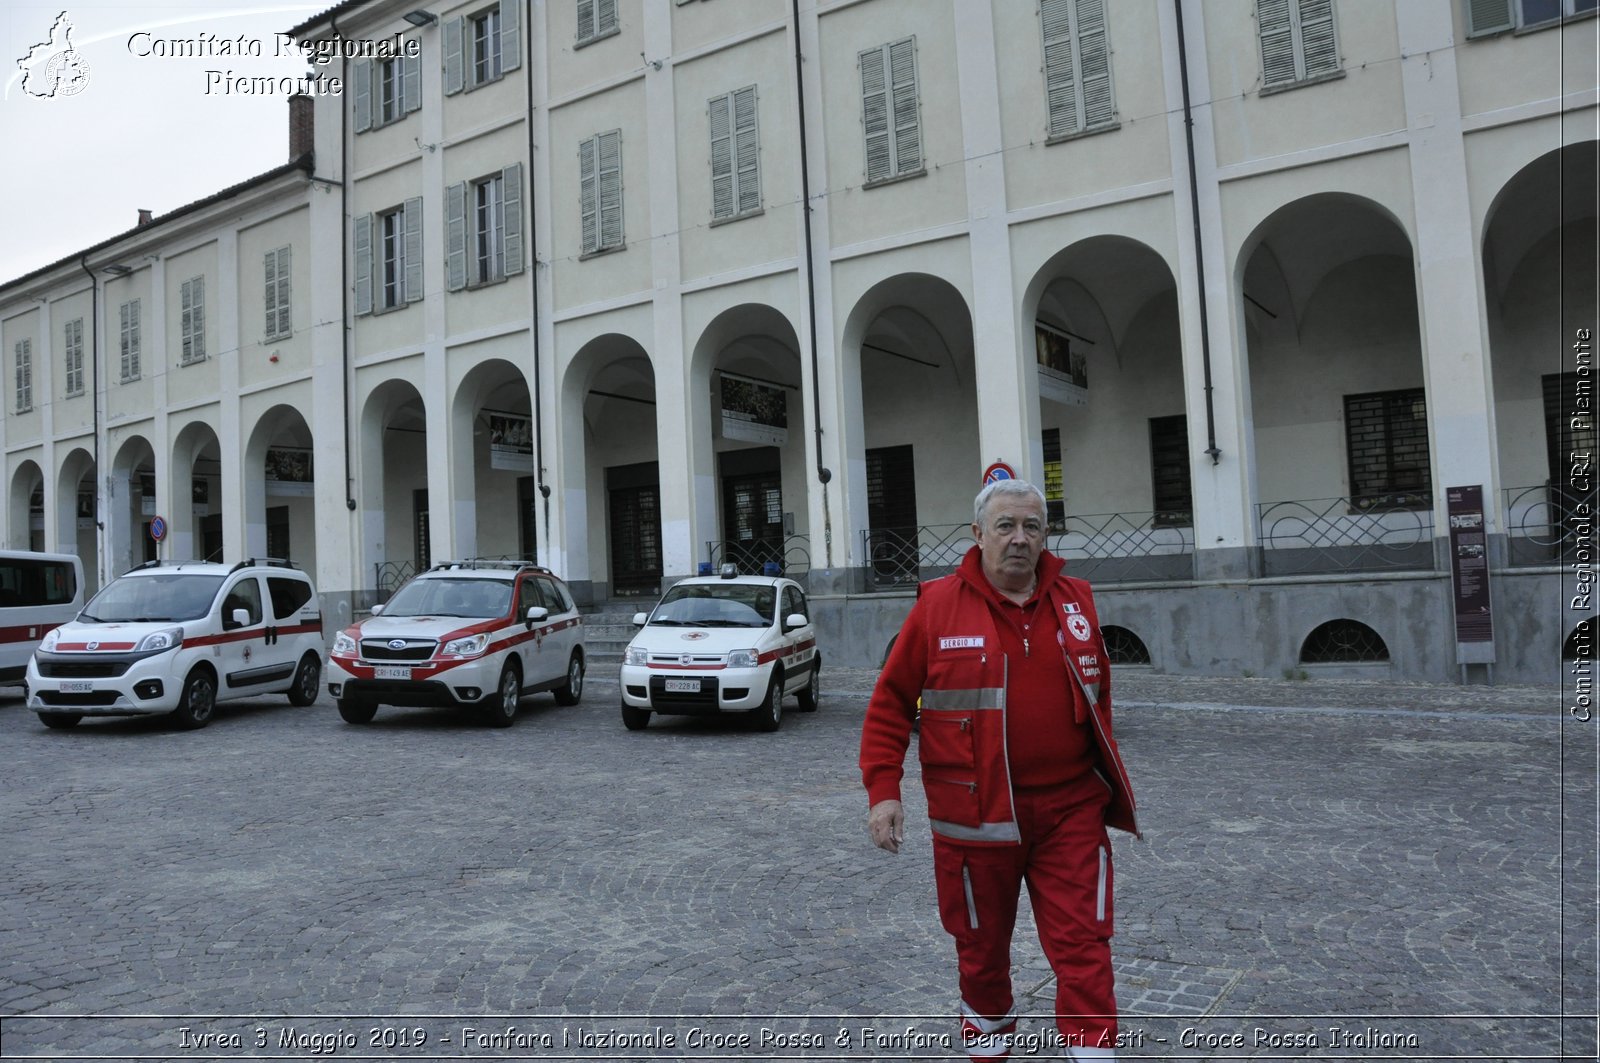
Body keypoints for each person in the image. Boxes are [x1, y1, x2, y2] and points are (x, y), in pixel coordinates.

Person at [859, 478, 1139, 1062]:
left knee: (1085, 941)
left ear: (1045, 536)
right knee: (981, 948)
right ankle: (990, 1049)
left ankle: (1093, 1053)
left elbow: (1099, 698)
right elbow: (891, 702)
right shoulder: (936, 606)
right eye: (1006, 526)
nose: (1019, 539)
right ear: (978, 534)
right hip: (976, 817)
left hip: (1070, 811)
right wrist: (884, 789)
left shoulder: (1076, 600)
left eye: (1032, 527)